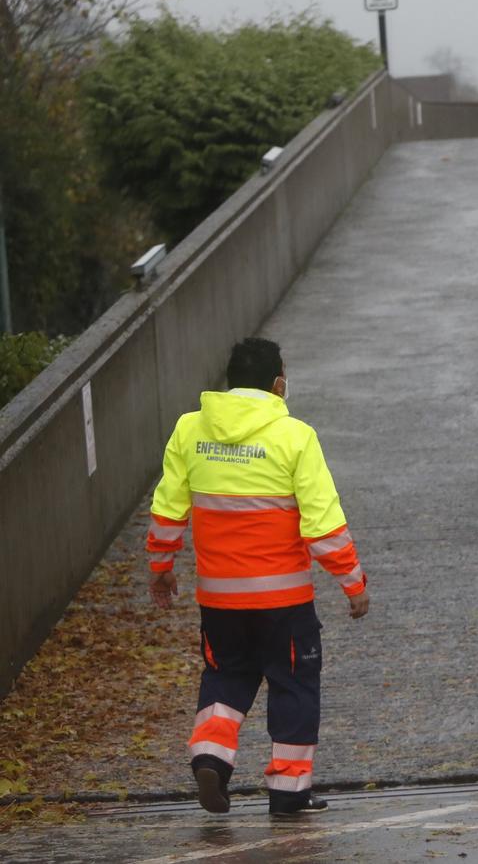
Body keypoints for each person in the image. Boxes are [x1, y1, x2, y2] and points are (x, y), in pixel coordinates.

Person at [146, 337, 370, 818]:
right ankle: (289, 792)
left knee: (225, 676)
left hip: (219, 600)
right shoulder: (294, 437)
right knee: (293, 685)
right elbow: (322, 523)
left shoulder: (189, 430)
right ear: (278, 384)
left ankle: (211, 759)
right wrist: (353, 582)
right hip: (283, 601)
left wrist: (161, 567)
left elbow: (168, 509)